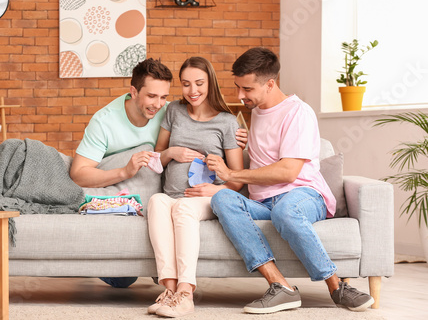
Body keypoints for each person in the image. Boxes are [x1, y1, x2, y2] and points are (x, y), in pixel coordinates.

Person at [206, 47, 374, 314]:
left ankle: (337, 285)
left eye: (247, 89)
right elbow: (270, 152)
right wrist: (246, 143)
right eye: (238, 87)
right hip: (264, 202)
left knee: (286, 210)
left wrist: (231, 174)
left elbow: (287, 172)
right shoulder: (258, 110)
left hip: (304, 195)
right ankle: (280, 287)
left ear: (270, 83)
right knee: (222, 198)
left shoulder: (298, 112)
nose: (240, 95)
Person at [70, 58, 247, 289]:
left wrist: (242, 138)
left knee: (177, 209)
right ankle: (160, 283)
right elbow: (79, 174)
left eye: (163, 97)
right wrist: (131, 167)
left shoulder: (188, 115)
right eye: (151, 96)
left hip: (188, 199)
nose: (158, 104)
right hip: (139, 194)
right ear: (133, 92)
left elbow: (232, 169)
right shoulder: (111, 121)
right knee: (123, 279)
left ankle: (181, 289)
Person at [145, 57, 244, 318]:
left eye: (199, 83)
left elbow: (237, 178)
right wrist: (171, 152)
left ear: (210, 82)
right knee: (156, 201)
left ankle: (186, 293)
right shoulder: (174, 111)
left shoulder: (226, 122)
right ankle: (169, 290)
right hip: (172, 195)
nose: (193, 91)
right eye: (186, 84)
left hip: (206, 198)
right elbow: (157, 156)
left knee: (185, 209)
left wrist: (216, 187)